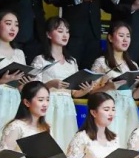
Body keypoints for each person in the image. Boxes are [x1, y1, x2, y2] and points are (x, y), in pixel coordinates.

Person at [31, 17, 94, 150]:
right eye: (60, 31)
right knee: (48, 142)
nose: (65, 35)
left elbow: (74, 93)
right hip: (49, 105)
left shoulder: (72, 62)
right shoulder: (41, 60)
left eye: (67, 31)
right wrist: (50, 84)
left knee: (66, 142)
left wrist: (86, 90)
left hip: (67, 107)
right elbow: (33, 89)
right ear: (49, 34)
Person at [91, 22, 139, 146]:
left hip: (129, 110)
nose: (125, 39)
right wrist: (108, 87)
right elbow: (91, 92)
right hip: (110, 110)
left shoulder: (133, 65)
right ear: (110, 38)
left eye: (128, 36)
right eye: (121, 35)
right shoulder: (101, 62)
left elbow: (134, 95)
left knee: (129, 144)